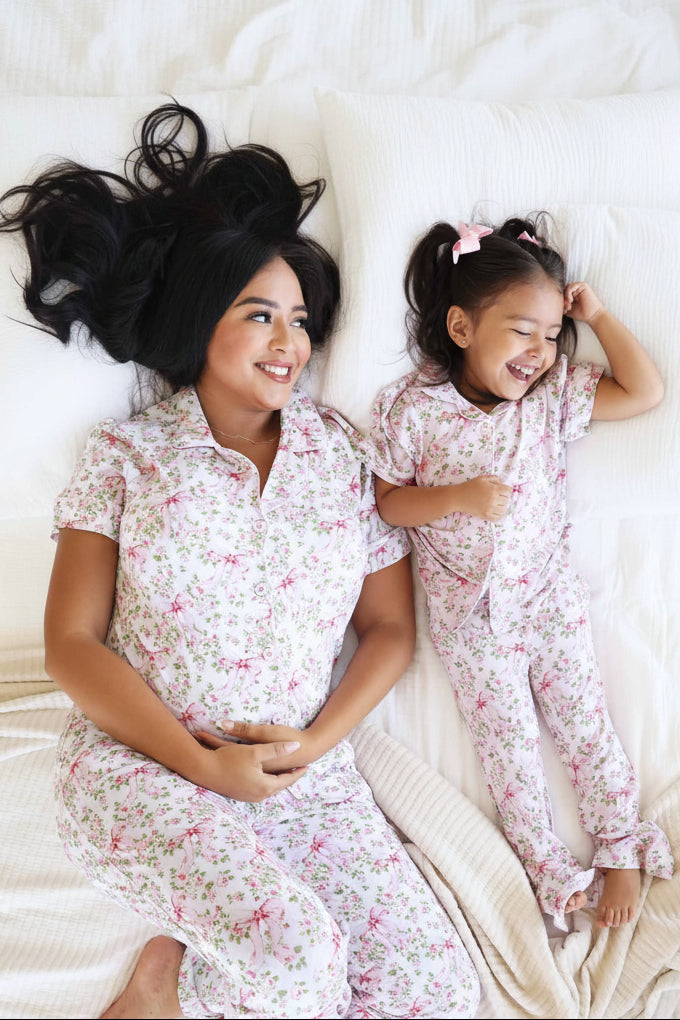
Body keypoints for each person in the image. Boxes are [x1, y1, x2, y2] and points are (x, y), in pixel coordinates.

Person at [0, 105, 480, 1019]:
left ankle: (188, 980)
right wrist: (199, 762)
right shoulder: (127, 457)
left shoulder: (343, 454)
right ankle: (165, 990)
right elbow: (71, 645)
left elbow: (387, 629)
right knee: (298, 968)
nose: (289, 343)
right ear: (200, 322)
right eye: (260, 314)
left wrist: (316, 743)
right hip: (144, 769)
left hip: (307, 779)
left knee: (438, 996)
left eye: (299, 320)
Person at [368, 216, 674, 933]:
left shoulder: (550, 400)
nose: (539, 352)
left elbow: (646, 391)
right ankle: (548, 870)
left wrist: (594, 316)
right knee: (507, 747)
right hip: (471, 621)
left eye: (548, 334)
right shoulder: (413, 409)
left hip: (545, 600)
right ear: (462, 326)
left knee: (583, 722)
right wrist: (455, 499)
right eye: (520, 332)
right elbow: (387, 501)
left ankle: (621, 844)